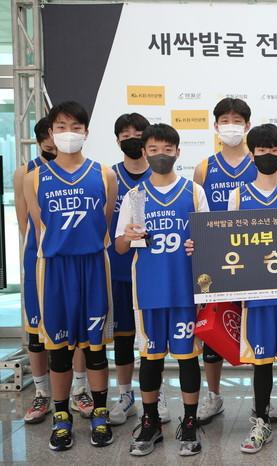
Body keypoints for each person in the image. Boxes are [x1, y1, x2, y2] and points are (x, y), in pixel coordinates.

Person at [200, 123, 277, 454]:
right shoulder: (238, 195)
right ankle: (260, 422)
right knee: (261, 362)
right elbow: (227, 242)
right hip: (255, 297)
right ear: (252, 154)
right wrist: (200, 249)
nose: (268, 155)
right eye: (261, 150)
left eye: (274, 150)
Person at [23, 101, 118, 450]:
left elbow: (104, 222)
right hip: (55, 269)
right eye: (61, 127)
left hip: (93, 265)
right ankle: (61, 416)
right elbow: (39, 228)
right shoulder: (34, 178)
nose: (68, 133)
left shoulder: (104, 174)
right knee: (59, 351)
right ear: (51, 133)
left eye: (76, 127)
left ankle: (100, 413)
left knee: (95, 348)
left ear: (86, 132)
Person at [116, 123, 207, 456]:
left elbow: (208, 240)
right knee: (150, 359)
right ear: (144, 152)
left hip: (184, 291)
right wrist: (129, 236)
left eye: (168, 149)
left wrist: (200, 245)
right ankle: (150, 421)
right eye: (154, 149)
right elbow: (120, 246)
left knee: (187, 358)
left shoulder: (193, 192)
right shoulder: (135, 196)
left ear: (178, 153)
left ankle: (190, 422)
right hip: (149, 292)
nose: (161, 155)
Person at [192, 97, 271, 424]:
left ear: (247, 126)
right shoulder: (204, 167)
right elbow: (198, 215)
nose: (231, 126)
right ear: (215, 126)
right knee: (215, 330)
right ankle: (214, 396)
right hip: (218, 261)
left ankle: (262, 401)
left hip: (258, 259)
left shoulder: (260, 162)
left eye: (237, 120)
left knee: (255, 330)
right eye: (225, 120)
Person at [15, 117, 95, 424]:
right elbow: (26, 224)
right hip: (42, 259)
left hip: (75, 260)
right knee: (37, 330)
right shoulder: (27, 173)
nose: (59, 138)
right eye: (56, 132)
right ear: (44, 137)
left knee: (79, 329)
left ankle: (80, 389)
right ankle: (41, 393)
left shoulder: (88, 172)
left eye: (72, 129)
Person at [107, 113, 171, 426]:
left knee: (155, 340)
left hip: (154, 273)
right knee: (123, 337)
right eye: (125, 133)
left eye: (138, 133)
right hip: (120, 269)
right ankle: (125, 395)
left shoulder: (162, 175)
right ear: (117, 139)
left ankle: (157, 394)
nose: (131, 138)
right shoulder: (110, 176)